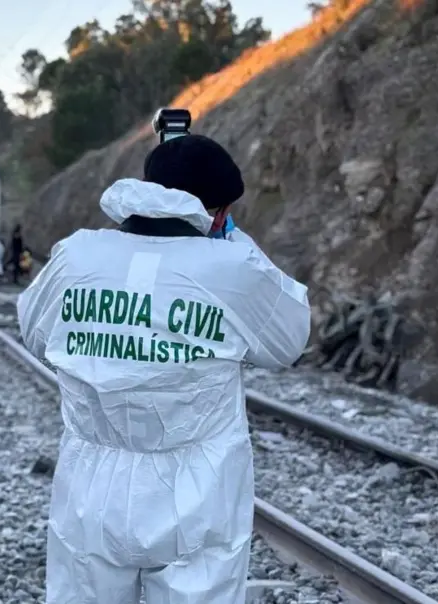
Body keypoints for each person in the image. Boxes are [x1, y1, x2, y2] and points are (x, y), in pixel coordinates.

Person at [16, 134, 311, 604]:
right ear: (219, 213)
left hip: (91, 484)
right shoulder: (233, 266)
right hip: (197, 493)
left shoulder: (76, 255)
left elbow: (35, 333)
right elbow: (288, 341)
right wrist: (234, 240)